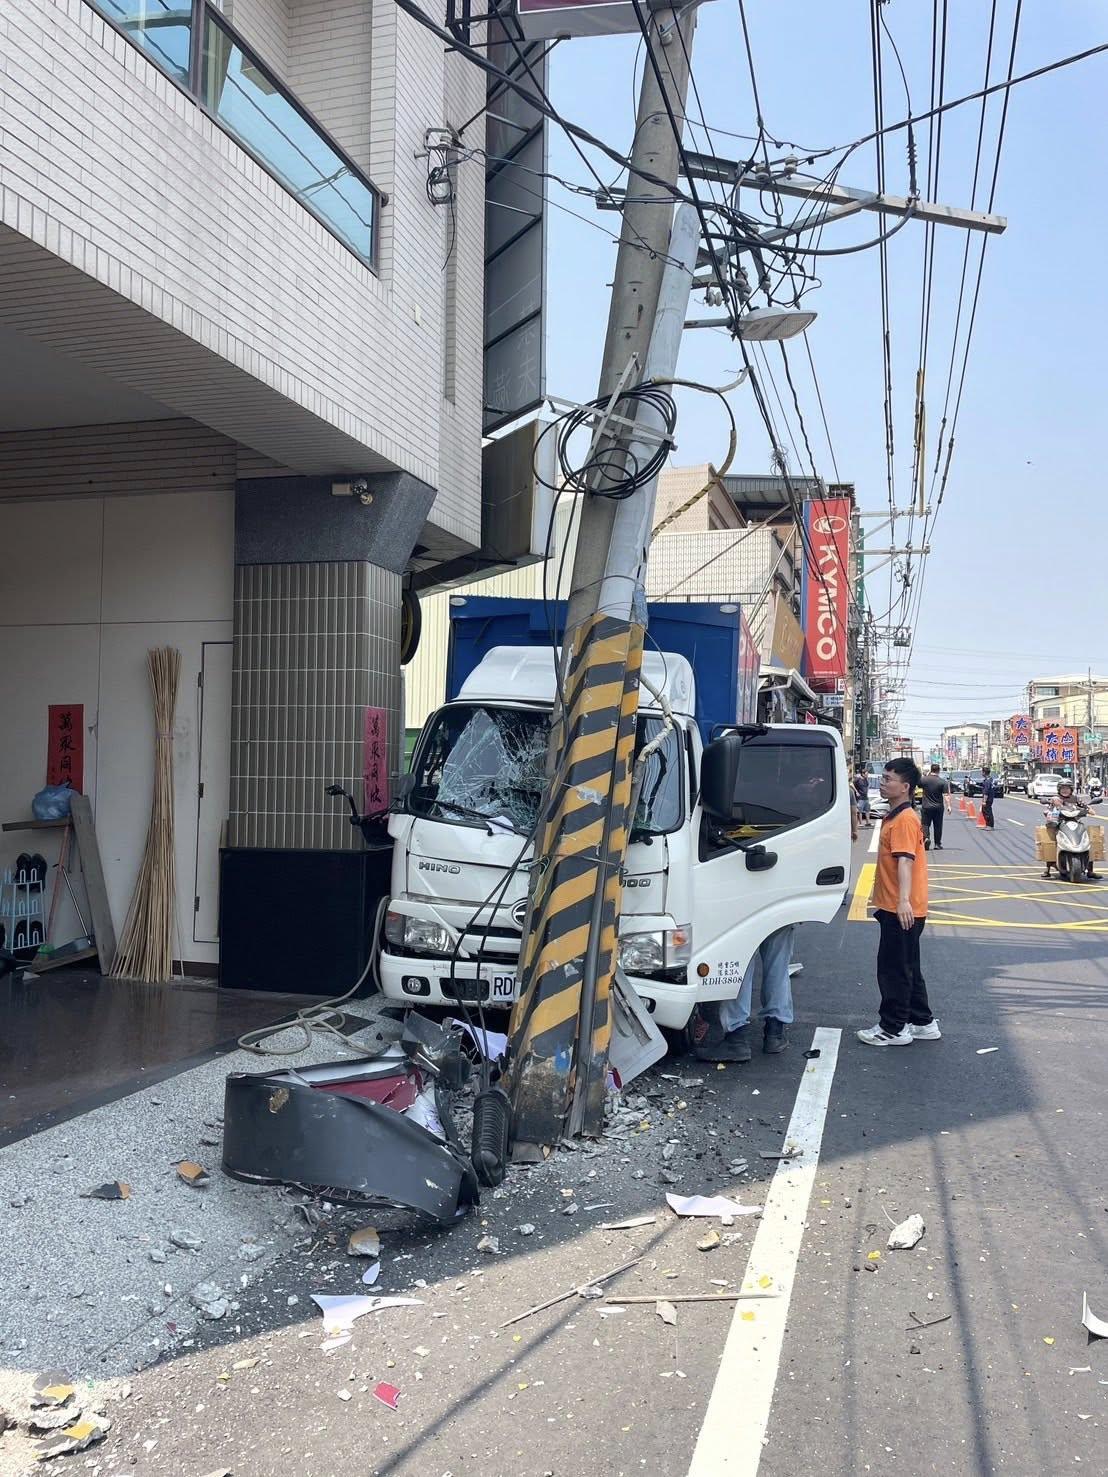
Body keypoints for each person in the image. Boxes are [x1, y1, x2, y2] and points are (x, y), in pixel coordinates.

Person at [857, 758, 938, 1047]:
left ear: (905, 787)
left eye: (889, 778)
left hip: (901, 908)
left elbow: (905, 862)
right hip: (900, 905)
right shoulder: (896, 815)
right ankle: (922, 1021)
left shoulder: (904, 819)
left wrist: (902, 902)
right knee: (908, 966)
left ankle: (894, 1027)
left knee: (893, 969)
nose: (883, 782)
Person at [691, 926, 796, 1061]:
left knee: (741, 963)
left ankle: (737, 1037)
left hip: (744, 909)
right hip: (780, 907)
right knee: (778, 963)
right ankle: (774, 1033)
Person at [1041, 779, 1100, 880]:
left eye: (1067, 788)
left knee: (1090, 840)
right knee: (1049, 840)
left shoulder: (1075, 798)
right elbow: (1049, 809)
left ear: (1071, 789)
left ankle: (1090, 870)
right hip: (1059, 823)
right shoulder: (1055, 799)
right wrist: (1049, 813)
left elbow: (1085, 806)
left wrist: (1089, 809)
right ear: (1059, 789)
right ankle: (1047, 869)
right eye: (1062, 788)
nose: (1065, 790)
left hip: (1075, 822)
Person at [919, 763, 952, 850]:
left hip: (926, 806)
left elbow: (918, 784)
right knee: (938, 825)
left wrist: (925, 775)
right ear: (939, 770)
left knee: (925, 824)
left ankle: (926, 838)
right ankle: (937, 844)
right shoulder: (943, 782)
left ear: (931, 770)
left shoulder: (924, 780)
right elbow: (946, 795)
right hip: (938, 807)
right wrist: (949, 806)